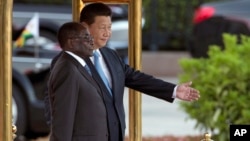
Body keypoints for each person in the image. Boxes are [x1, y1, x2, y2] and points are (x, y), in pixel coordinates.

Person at [46, 2, 200, 141]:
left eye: (109, 27)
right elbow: (54, 104)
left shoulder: (110, 55)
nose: (107, 33)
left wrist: (173, 90)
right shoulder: (68, 61)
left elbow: (136, 78)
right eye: (102, 28)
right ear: (85, 27)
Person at [47, 22, 100, 141]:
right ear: (71, 43)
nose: (92, 41)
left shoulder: (77, 67)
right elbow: (63, 121)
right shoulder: (67, 70)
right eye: (86, 37)